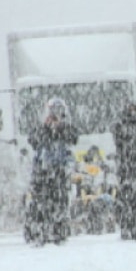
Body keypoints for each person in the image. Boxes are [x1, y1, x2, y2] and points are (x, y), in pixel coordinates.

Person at [27, 97, 79, 244]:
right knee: (39, 204)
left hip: (59, 173)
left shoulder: (66, 130)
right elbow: (33, 140)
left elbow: (74, 137)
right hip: (41, 174)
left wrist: (61, 128)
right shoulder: (41, 130)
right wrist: (46, 128)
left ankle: (58, 232)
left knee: (60, 202)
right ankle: (39, 232)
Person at [110, 101, 136, 241]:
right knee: (125, 200)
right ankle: (126, 228)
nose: (133, 112)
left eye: (135, 109)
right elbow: (116, 136)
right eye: (130, 109)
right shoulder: (121, 125)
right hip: (126, 169)